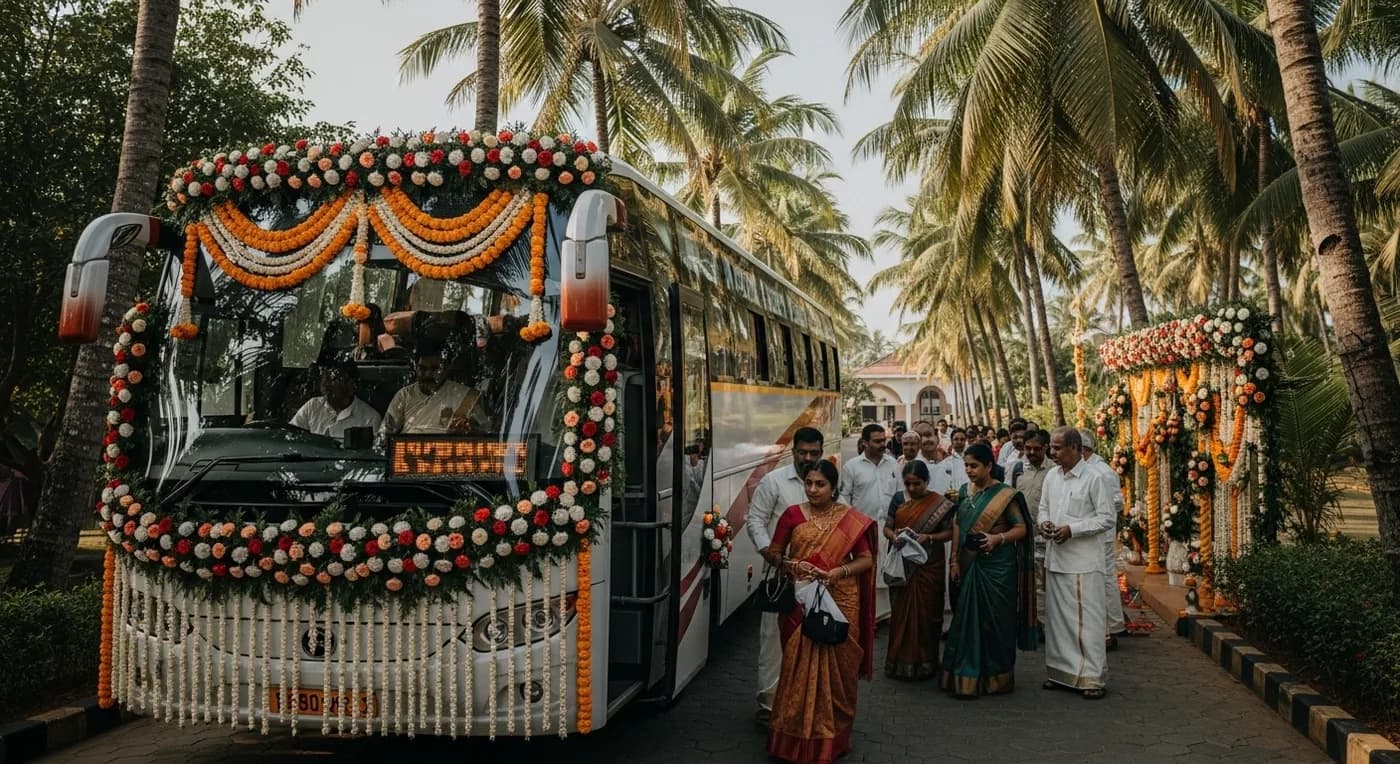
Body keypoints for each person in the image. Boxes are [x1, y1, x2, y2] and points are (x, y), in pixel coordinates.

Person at [763, 459, 877, 764]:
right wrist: (791, 565)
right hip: (801, 601)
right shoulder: (791, 515)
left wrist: (836, 573)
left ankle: (831, 741)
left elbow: (865, 560)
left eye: (820, 484)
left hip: (840, 601)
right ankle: (792, 741)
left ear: (834, 487)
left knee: (837, 673)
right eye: (809, 483)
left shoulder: (850, 519)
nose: (813, 489)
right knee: (795, 668)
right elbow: (774, 553)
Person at [939, 442, 1037, 698]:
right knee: (965, 620)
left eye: (974, 466)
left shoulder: (1005, 495)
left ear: (989, 466)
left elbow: (1022, 529)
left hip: (998, 567)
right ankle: (965, 674)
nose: (969, 471)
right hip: (969, 563)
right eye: (967, 466)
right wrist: (954, 561)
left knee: (995, 622)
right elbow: (958, 525)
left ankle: (996, 677)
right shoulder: (963, 492)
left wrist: (997, 539)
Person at [747, 427, 825, 724]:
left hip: (817, 578)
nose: (808, 458)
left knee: (814, 641)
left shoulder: (826, 482)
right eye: (802, 453)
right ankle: (769, 705)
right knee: (773, 641)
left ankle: (806, 706)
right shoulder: (775, 481)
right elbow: (756, 520)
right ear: (793, 452)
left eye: (814, 453)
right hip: (781, 576)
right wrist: (770, 553)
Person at [1038, 427, 1117, 699]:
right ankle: (1061, 673)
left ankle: (1092, 678)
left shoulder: (1095, 478)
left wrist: (1072, 529)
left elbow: (1107, 518)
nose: (1053, 452)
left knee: (1088, 622)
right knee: (1059, 620)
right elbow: (1044, 508)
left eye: (1058, 448)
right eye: (1052, 447)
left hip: (1084, 562)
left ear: (1074, 448)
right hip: (1057, 558)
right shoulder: (1051, 476)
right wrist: (1045, 524)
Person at [883, 460, 956, 679]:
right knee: (900, 614)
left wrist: (928, 537)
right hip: (903, 566)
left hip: (929, 565)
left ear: (927, 482)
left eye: (917, 484)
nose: (913, 489)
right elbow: (887, 527)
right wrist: (894, 537)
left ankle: (927, 663)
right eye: (908, 484)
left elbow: (950, 533)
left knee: (928, 614)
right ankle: (898, 662)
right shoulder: (898, 499)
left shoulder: (940, 504)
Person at [838, 424, 900, 607]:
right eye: (877, 441)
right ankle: (868, 617)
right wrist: (853, 527)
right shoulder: (852, 467)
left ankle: (885, 616)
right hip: (863, 532)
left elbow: (900, 495)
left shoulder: (893, 464)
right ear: (865, 443)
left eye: (884, 440)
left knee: (887, 573)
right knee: (867, 574)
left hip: (889, 530)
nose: (883, 444)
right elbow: (843, 499)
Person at [1078, 428, 1128, 649]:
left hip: (1103, 534)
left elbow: (1118, 502)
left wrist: (1098, 506)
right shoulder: (1087, 468)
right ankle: (1112, 623)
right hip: (1093, 532)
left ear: (1083, 450)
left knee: (1105, 578)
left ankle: (1112, 625)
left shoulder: (1102, 471)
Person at [381, 344, 485, 436]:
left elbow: (485, 432)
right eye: (422, 368)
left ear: (445, 369)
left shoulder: (466, 396)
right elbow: (385, 435)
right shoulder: (404, 396)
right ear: (416, 368)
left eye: (434, 369)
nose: (427, 374)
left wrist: (470, 429)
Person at [289, 359, 382, 438]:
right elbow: (292, 437)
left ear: (351, 385)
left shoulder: (369, 419)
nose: (325, 384)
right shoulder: (312, 406)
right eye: (324, 377)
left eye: (332, 379)